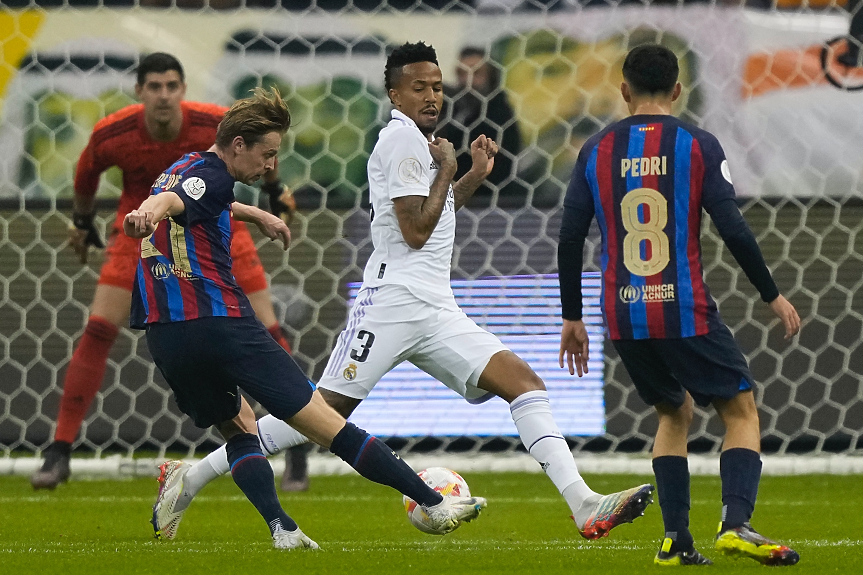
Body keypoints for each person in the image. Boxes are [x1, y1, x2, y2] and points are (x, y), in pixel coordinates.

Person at [152, 41, 654, 542]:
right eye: (418, 88)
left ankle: (584, 504)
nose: (431, 96)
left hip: (434, 306)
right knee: (319, 413)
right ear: (395, 94)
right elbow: (415, 231)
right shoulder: (399, 141)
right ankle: (189, 478)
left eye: (436, 86)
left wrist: (472, 176)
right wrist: (450, 170)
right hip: (391, 302)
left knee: (524, 383)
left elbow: (432, 213)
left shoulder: (417, 141)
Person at [126, 86, 486, 548]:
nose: (271, 165)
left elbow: (190, 197)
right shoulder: (210, 177)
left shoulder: (184, 167)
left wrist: (256, 214)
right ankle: (433, 503)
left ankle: (282, 528)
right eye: (267, 154)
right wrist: (145, 215)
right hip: (222, 325)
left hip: (166, 334)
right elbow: (170, 205)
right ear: (239, 144)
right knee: (328, 425)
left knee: (239, 428)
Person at [557, 44, 802, 566]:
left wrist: (571, 316)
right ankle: (736, 524)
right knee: (740, 409)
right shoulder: (697, 144)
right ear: (676, 90)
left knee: (673, 410)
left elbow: (570, 236)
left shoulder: (595, 149)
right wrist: (771, 294)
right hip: (683, 306)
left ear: (624, 91)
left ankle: (674, 541)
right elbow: (732, 227)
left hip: (623, 313)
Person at [29, 53, 297, 490]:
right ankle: (58, 450)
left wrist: (274, 191)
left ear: (183, 89)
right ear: (139, 91)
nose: (164, 96)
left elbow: (262, 148)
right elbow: (86, 171)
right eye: (154, 86)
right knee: (98, 328)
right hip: (141, 229)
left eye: (172, 86)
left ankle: (297, 449)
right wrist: (82, 221)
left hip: (217, 224)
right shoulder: (113, 131)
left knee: (266, 326)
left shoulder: (214, 124)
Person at [436, 47, 521, 206]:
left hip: (487, 202)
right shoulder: (454, 107)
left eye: (477, 73)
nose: (468, 81)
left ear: (491, 76)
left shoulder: (499, 113)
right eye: (462, 73)